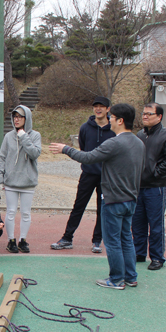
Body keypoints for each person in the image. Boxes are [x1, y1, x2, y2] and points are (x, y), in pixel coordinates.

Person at [49, 103, 145, 290]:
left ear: (120, 120)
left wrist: (65, 149)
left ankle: (116, 279)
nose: (109, 120)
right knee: (126, 238)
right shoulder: (139, 143)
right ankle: (130, 276)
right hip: (131, 199)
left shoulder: (115, 143)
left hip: (114, 200)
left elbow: (88, 157)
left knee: (113, 241)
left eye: (112, 117)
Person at [51, 96, 115, 253]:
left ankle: (97, 241)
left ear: (108, 109)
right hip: (88, 174)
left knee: (103, 209)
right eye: (95, 106)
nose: (98, 109)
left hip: (106, 177)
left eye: (102, 106)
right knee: (78, 206)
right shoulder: (85, 128)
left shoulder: (113, 130)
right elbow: (84, 149)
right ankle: (67, 238)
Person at [133, 102, 166, 271]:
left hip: (155, 187)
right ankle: (139, 253)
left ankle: (157, 258)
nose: (145, 116)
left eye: (149, 114)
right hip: (139, 186)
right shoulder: (140, 135)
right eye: (144, 113)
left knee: (156, 224)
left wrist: (155, 173)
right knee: (137, 223)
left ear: (159, 117)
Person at [0, 104, 41, 254]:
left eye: (20, 117)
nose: (17, 119)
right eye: (15, 116)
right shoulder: (8, 136)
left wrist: (23, 136)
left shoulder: (35, 135)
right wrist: (0, 178)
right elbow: (1, 157)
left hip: (28, 182)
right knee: (10, 212)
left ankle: (23, 240)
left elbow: (34, 153)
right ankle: (11, 240)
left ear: (26, 118)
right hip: (11, 181)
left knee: (26, 213)